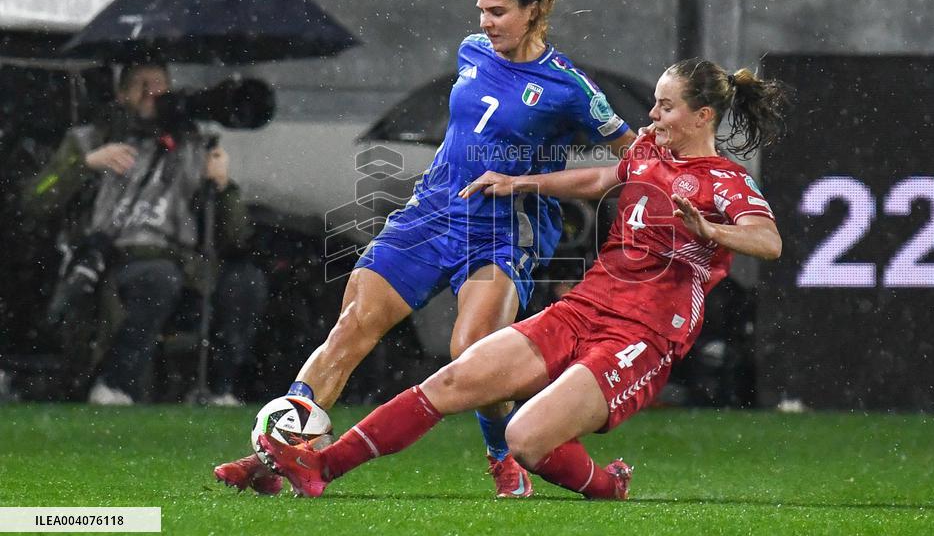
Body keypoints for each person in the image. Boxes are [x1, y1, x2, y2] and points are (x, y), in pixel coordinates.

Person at [256, 58, 790, 499]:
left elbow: (768, 241)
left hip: (643, 335)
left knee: (525, 438)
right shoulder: (650, 153)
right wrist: (521, 182)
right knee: (456, 377)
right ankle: (319, 469)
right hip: (586, 307)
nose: (652, 116)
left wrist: (711, 228)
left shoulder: (724, 181)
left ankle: (603, 484)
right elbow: (603, 177)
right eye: (654, 101)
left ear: (702, 116)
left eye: (666, 106)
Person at [214, 0, 636, 497]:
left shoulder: (568, 87)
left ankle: (500, 456)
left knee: (473, 351)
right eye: (481, 11)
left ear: (533, 9)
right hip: (430, 215)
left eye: (498, 12)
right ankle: (279, 455)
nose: (485, 23)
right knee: (350, 329)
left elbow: (635, 156)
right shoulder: (472, 52)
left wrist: (536, 183)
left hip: (502, 231)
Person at [22, 61, 265, 406]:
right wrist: (85, 164)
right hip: (115, 263)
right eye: (141, 84)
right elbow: (35, 199)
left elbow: (236, 236)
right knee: (157, 277)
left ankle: (219, 389)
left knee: (246, 282)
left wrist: (224, 187)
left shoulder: (193, 143)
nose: (152, 92)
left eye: (159, 84)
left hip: (186, 269)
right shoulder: (92, 138)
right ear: (121, 94)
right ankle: (114, 384)